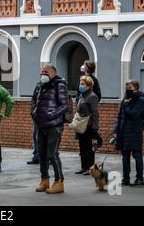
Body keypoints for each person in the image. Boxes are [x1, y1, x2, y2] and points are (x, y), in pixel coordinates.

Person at [32, 64, 69, 194]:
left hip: (54, 126)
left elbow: (65, 106)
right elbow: (33, 100)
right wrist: (34, 113)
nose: (42, 74)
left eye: (45, 72)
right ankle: (44, 180)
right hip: (40, 125)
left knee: (52, 154)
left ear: (53, 73)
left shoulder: (60, 85)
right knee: (41, 154)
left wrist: (50, 115)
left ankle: (59, 182)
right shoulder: (39, 85)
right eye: (41, 72)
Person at [113, 80, 144, 187]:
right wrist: (116, 130)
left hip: (135, 131)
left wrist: (126, 105)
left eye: (130, 87)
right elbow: (119, 116)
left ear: (136, 88)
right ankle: (125, 179)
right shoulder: (125, 99)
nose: (128, 89)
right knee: (125, 156)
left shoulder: (140, 99)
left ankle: (140, 179)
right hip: (123, 131)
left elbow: (134, 114)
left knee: (137, 155)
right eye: (126, 87)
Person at [75, 76, 100, 175]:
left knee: (89, 148)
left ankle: (90, 168)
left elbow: (95, 113)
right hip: (81, 124)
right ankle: (83, 167)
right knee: (82, 147)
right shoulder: (82, 95)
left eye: (82, 84)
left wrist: (95, 128)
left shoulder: (92, 96)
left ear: (89, 86)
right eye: (80, 83)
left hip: (89, 126)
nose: (80, 86)